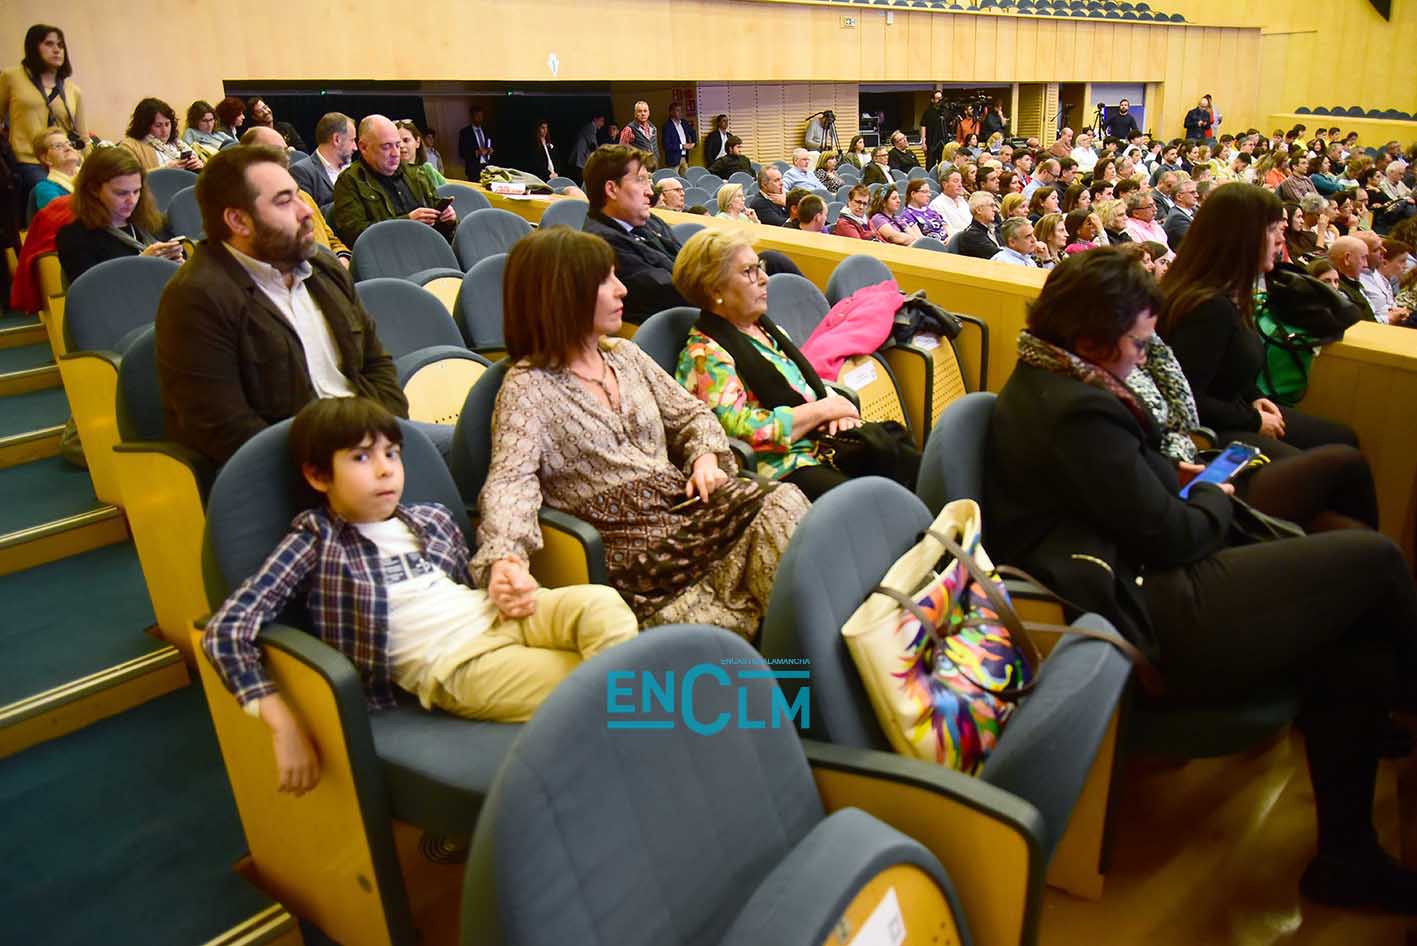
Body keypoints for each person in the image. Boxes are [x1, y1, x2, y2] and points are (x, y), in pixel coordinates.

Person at [988, 246, 1417, 916]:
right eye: (1138, 344)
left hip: (1143, 566)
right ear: (1091, 341)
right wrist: (1214, 491)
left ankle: (1347, 852)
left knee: (1352, 592)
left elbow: (1136, 490)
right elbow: (1175, 535)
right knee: (1374, 561)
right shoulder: (1074, 410)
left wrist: (1182, 483)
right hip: (1144, 609)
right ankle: (1355, 831)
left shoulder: (1059, 376)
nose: (1143, 357)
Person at [203, 396, 638, 790]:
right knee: (604, 684)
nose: (385, 469)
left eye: (392, 453)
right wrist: (282, 722)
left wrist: (503, 580)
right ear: (318, 476)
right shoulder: (314, 542)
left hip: (503, 615)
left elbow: (472, 578)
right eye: (361, 457)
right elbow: (226, 631)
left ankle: (632, 746)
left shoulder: (430, 518)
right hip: (458, 663)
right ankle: (639, 755)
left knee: (603, 604)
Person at [476, 226, 809, 637]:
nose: (623, 291)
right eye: (606, 281)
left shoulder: (626, 356)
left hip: (684, 507)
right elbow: (511, 482)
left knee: (781, 503)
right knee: (718, 623)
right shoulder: (527, 387)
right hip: (630, 546)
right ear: (564, 295)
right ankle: (779, 657)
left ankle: (807, 649)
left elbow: (693, 416)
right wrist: (505, 558)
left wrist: (704, 458)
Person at [156, 145, 413, 466]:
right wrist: (334, 463)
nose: (305, 211)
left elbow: (378, 364)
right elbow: (223, 428)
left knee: (464, 446)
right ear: (238, 220)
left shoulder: (323, 268)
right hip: (295, 466)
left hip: (373, 439)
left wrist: (388, 438)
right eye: (284, 201)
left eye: (298, 196)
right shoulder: (196, 298)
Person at [1160, 183, 1357, 449]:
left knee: (1342, 438)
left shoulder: (1229, 292)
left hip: (1235, 409)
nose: (1281, 240)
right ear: (1241, 238)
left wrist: (1254, 396)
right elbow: (1186, 398)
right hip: (1206, 430)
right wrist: (1253, 420)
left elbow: (1227, 373)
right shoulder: (1209, 307)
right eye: (1273, 230)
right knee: (1339, 460)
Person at [671, 228, 861, 500]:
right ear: (715, 290)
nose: (764, 278)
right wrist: (821, 411)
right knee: (864, 500)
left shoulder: (769, 331)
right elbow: (737, 430)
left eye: (759, 266)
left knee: (897, 461)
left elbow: (805, 386)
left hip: (821, 444)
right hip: (781, 468)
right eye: (748, 271)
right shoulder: (704, 355)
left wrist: (835, 409)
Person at [581, 144, 688, 322]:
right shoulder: (601, 244)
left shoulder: (650, 220)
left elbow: (686, 260)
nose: (650, 192)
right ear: (611, 189)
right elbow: (667, 290)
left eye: (648, 181)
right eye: (640, 180)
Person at [55, 144, 182, 281]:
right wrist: (140, 266)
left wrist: (179, 266)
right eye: (121, 193)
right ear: (93, 190)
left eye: (136, 191)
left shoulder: (153, 222)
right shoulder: (75, 237)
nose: (132, 201)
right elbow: (91, 290)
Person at [332, 115, 455, 247]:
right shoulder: (349, 181)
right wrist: (407, 223)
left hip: (429, 246)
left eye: (397, 145)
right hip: (389, 254)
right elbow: (353, 235)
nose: (396, 153)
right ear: (363, 147)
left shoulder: (416, 174)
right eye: (386, 147)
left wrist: (449, 220)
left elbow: (441, 229)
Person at [241, 126, 351, 266]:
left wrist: (342, 258)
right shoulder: (252, 208)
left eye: (286, 151)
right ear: (250, 159)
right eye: (276, 153)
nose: (286, 159)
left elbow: (331, 239)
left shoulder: (304, 197)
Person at [1, 25, 85, 199]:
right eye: (49, 44)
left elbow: (83, 136)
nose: (57, 50)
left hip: (64, 162)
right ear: (34, 47)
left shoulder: (73, 90)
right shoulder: (12, 78)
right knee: (53, 195)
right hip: (27, 161)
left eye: (60, 45)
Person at [290, 112, 355, 210]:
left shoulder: (353, 169)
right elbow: (308, 214)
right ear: (337, 139)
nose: (355, 147)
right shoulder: (302, 172)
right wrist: (349, 201)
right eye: (352, 140)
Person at [120, 98, 204, 172]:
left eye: (167, 124)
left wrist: (199, 166)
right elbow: (128, 177)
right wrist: (165, 170)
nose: (165, 130)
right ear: (144, 126)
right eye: (158, 125)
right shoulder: (130, 146)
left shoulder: (177, 143)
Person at [28, 126, 81, 212]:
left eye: (69, 144)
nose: (68, 148)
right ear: (46, 159)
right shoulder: (45, 188)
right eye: (58, 146)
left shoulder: (90, 174)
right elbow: (64, 217)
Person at [396, 119, 448, 190]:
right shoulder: (392, 177)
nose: (401, 145)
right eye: (397, 143)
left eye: (406, 140)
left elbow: (449, 192)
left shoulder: (428, 170)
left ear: (417, 141)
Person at [957, 191, 1002, 259]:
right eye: (991, 205)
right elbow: (999, 256)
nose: (995, 209)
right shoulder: (971, 235)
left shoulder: (996, 228)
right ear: (978, 210)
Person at [928, 168, 972, 236]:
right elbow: (946, 230)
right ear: (945, 184)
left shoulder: (962, 200)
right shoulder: (937, 204)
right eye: (956, 181)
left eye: (960, 181)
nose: (960, 185)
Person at [458, 107, 493, 181]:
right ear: (472, 117)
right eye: (477, 116)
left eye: (481, 116)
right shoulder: (465, 132)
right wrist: (476, 152)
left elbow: (491, 144)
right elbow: (461, 152)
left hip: (488, 168)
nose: (480, 119)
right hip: (473, 169)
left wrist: (490, 150)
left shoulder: (487, 130)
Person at [1163, 177, 1199, 248]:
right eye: (1192, 192)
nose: (1197, 195)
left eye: (1196, 192)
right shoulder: (1176, 217)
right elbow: (1196, 240)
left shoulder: (1194, 210)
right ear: (1179, 197)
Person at [920, 90, 950, 171]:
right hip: (931, 141)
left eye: (941, 98)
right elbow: (923, 126)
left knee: (943, 164)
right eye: (937, 98)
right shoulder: (928, 112)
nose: (939, 101)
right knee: (930, 164)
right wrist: (923, 142)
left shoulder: (945, 111)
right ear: (932, 100)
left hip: (943, 141)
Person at [662, 102, 695, 174]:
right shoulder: (667, 126)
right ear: (671, 112)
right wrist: (682, 146)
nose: (680, 113)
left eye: (681, 110)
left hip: (684, 157)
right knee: (674, 179)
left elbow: (692, 132)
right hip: (673, 159)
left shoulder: (684, 123)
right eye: (677, 110)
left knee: (686, 178)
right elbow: (666, 145)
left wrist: (693, 143)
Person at [571, 114, 605, 181]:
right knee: (584, 180)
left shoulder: (590, 127)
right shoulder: (591, 127)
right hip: (580, 159)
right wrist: (603, 153)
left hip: (581, 159)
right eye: (601, 121)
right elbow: (593, 144)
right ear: (595, 119)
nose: (602, 124)